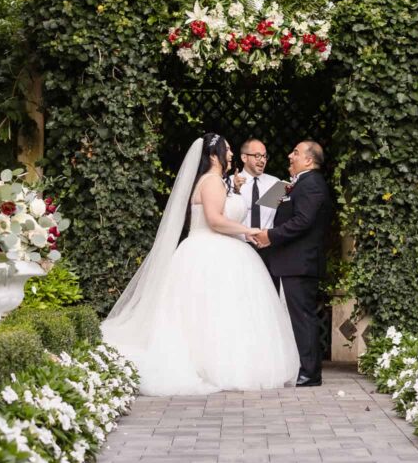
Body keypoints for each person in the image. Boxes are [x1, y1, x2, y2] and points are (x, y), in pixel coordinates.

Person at [101, 133, 300, 396]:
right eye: (227, 149)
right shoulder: (213, 182)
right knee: (208, 312)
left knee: (219, 312)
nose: (230, 154)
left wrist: (238, 198)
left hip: (226, 247)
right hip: (212, 249)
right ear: (214, 155)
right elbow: (215, 221)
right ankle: (209, 365)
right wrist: (248, 229)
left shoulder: (235, 183)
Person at [251, 141, 333, 387]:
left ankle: (310, 373)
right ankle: (303, 368)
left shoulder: (312, 184)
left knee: (303, 317)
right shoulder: (296, 184)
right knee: (297, 316)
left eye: (295, 152)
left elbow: (303, 221)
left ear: (309, 160)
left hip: (301, 262)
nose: (289, 155)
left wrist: (270, 236)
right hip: (290, 261)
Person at [229, 138, 282, 232]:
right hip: (239, 242)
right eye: (257, 156)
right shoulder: (230, 181)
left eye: (265, 156)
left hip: (267, 243)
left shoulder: (275, 183)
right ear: (244, 158)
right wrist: (235, 191)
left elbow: (281, 217)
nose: (262, 160)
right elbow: (225, 215)